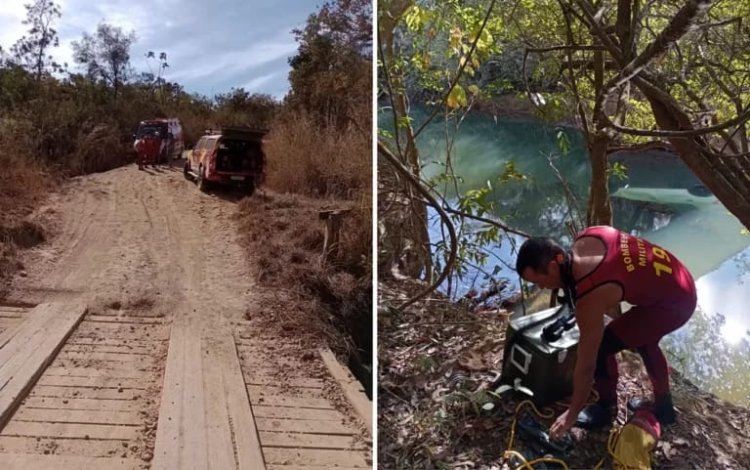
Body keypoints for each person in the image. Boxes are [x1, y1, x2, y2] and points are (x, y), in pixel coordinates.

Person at [515, 225, 696, 439]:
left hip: (674, 305)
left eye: (538, 281)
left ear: (554, 266)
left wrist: (571, 414)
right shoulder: (590, 234)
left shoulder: (591, 294)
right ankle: (664, 406)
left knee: (603, 347)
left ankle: (605, 406)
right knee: (643, 340)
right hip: (680, 279)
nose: (542, 288)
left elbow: (586, 364)